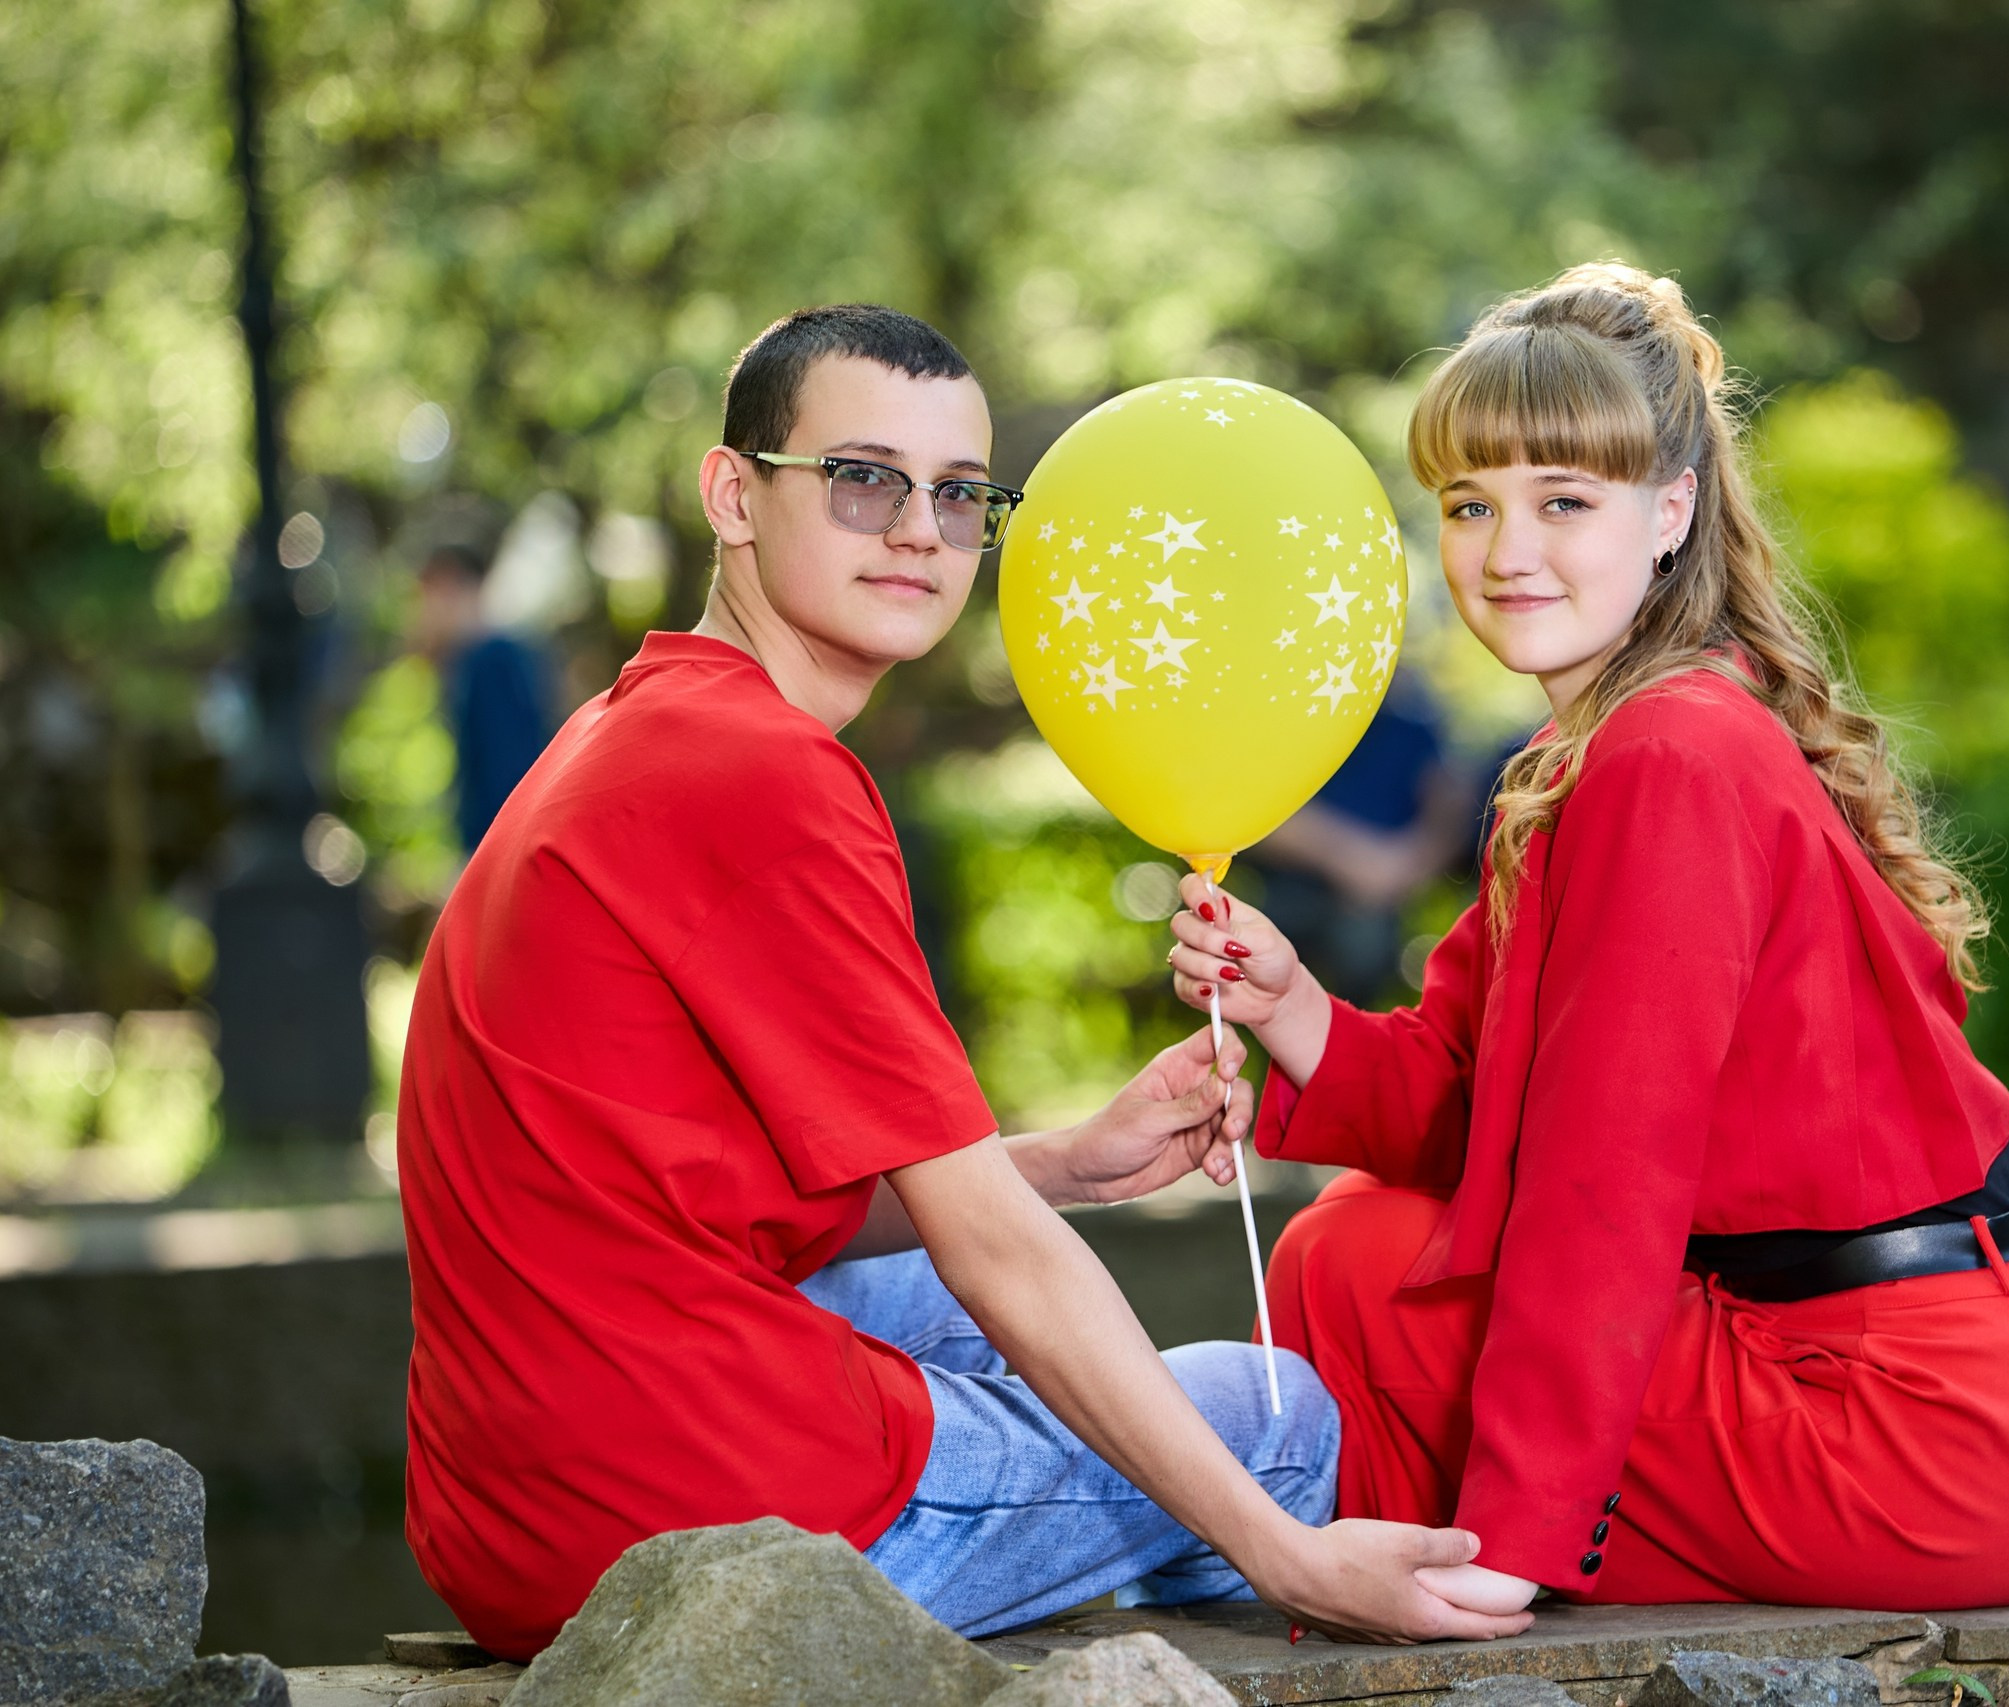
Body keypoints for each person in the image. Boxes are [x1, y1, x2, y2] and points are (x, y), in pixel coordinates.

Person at [397, 305, 1532, 1658]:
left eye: (959, 494)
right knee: (1276, 1415)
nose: (920, 530)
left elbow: (710, 1192)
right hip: (682, 1529)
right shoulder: (767, 775)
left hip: (511, 1499)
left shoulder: (634, 724)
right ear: (733, 494)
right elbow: (997, 1250)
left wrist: (1064, 1159)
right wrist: (1289, 1552)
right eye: (864, 477)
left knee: (987, 1314)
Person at [1166, 264, 2009, 1618]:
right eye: (1471, 504)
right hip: (1974, 1368)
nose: (1508, 552)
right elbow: (1480, 1093)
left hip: (1920, 1417)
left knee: (1356, 1266)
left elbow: (1600, 1180)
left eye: (1564, 501)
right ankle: (1355, 1544)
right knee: (1358, 1237)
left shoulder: (1670, 750)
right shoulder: (1592, 744)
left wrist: (1516, 1543)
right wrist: (1293, 1009)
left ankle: (1424, 1564)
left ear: (1671, 508)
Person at [1245, 673, 1481, 1006]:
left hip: (1374, 905)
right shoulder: (1296, 715)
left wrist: (1402, 867)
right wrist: (1356, 861)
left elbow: (1449, 803)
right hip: (1290, 890)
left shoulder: (1415, 726)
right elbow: (1255, 809)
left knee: (1362, 944)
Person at [409, 542, 555, 850]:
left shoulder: (492, 661)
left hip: (497, 847)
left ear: (448, 585)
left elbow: (507, 772)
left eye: (424, 596)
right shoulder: (480, 660)